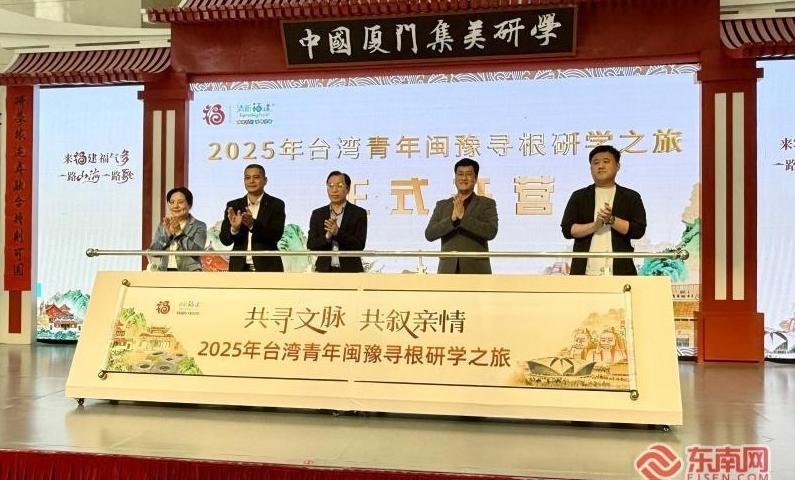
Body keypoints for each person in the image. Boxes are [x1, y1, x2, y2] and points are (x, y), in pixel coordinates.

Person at [560, 145, 646, 276]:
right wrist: (595, 226)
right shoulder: (579, 196)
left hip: (621, 272)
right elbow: (567, 230)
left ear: (617, 166)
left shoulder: (631, 196)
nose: (600, 166)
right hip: (583, 273)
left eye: (606, 161)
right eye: (596, 163)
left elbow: (638, 230)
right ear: (590, 168)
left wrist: (611, 220)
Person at [424, 158, 498, 274]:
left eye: (468, 174)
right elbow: (429, 234)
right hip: (447, 270)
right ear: (455, 178)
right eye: (460, 174)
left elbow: (491, 232)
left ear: (475, 178)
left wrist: (464, 217)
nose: (464, 178)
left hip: (477, 270)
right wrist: (452, 220)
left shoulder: (487, 203)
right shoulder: (442, 205)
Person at [220, 164, 286, 272]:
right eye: (247, 178)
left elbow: (275, 235)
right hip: (239, 269)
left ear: (265, 180)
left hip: (268, 268)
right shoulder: (233, 205)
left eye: (256, 177)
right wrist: (234, 229)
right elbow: (225, 240)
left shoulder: (276, 204)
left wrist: (252, 225)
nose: (251, 181)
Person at [307, 171, 367, 272]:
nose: (334, 190)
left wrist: (338, 233)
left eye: (339, 186)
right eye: (330, 186)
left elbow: (359, 245)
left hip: (351, 271)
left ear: (347, 189)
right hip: (324, 271)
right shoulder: (318, 214)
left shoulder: (359, 213)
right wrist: (327, 237)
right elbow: (311, 245)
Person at [148, 187, 207, 271]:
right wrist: (167, 234)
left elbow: (197, 251)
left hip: (190, 273)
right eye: (172, 202)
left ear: (189, 204)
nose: (175, 206)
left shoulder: (199, 225)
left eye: (180, 202)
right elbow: (153, 252)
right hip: (164, 272)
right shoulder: (163, 225)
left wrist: (179, 233)